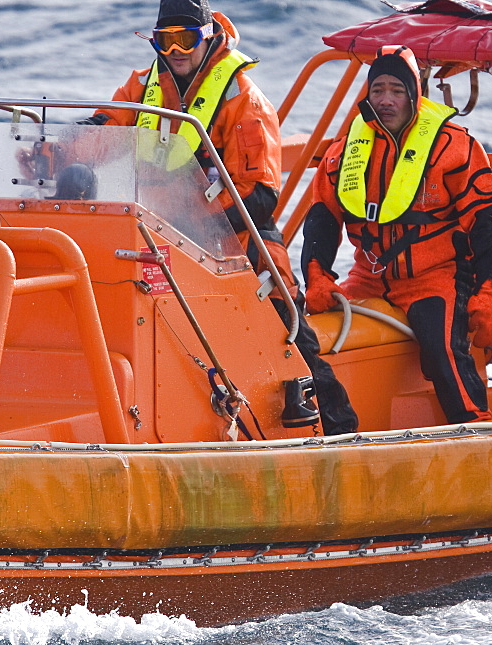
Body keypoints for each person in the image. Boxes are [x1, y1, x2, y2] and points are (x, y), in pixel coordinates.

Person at [80, 0, 358, 435]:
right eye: (164, 41)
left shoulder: (244, 98)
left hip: (239, 236)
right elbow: (106, 124)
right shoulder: (142, 86)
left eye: (185, 39)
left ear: (207, 37)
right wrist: (65, 148)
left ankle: (342, 433)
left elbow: (261, 195)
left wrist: (196, 219)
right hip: (159, 235)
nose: (175, 51)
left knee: (291, 335)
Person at [301, 45, 492, 424]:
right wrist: (316, 276)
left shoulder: (454, 146)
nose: (386, 100)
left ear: (414, 94)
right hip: (368, 278)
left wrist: (488, 291)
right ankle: (330, 430)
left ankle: (477, 425)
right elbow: (322, 218)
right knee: (304, 336)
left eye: (396, 90)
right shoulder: (344, 150)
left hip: (436, 277)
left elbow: (486, 222)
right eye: (377, 90)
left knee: (442, 349)